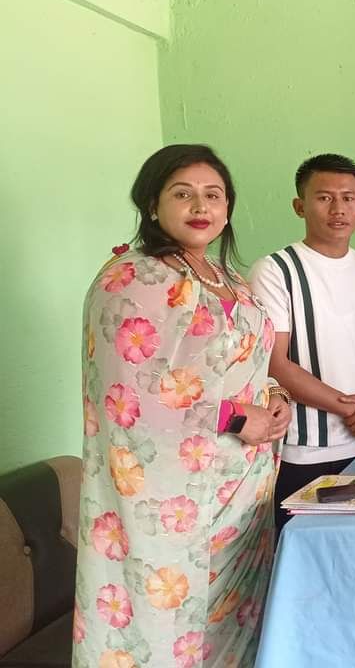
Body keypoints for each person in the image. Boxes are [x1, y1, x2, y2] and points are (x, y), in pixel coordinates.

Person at [75, 145, 290, 668]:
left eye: (213, 195)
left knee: (230, 629)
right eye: (183, 194)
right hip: (170, 499)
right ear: (152, 204)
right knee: (165, 626)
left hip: (239, 491)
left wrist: (275, 398)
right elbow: (130, 394)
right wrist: (236, 417)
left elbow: (243, 364)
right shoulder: (133, 279)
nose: (201, 206)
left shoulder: (225, 277)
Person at [249, 154, 355, 534]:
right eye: (324, 198)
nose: (338, 209)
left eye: (348, 198)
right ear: (299, 206)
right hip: (305, 450)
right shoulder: (275, 270)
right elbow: (275, 362)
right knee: (306, 552)